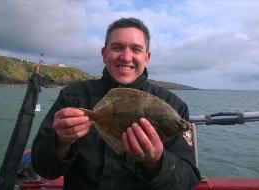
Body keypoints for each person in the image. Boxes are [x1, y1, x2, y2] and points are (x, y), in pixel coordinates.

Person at [32, 17, 200, 189]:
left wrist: (156, 162)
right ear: (104, 54)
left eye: (136, 49)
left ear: (146, 57)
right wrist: (60, 142)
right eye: (117, 47)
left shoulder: (174, 105)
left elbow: (187, 180)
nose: (126, 57)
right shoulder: (72, 97)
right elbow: (43, 168)